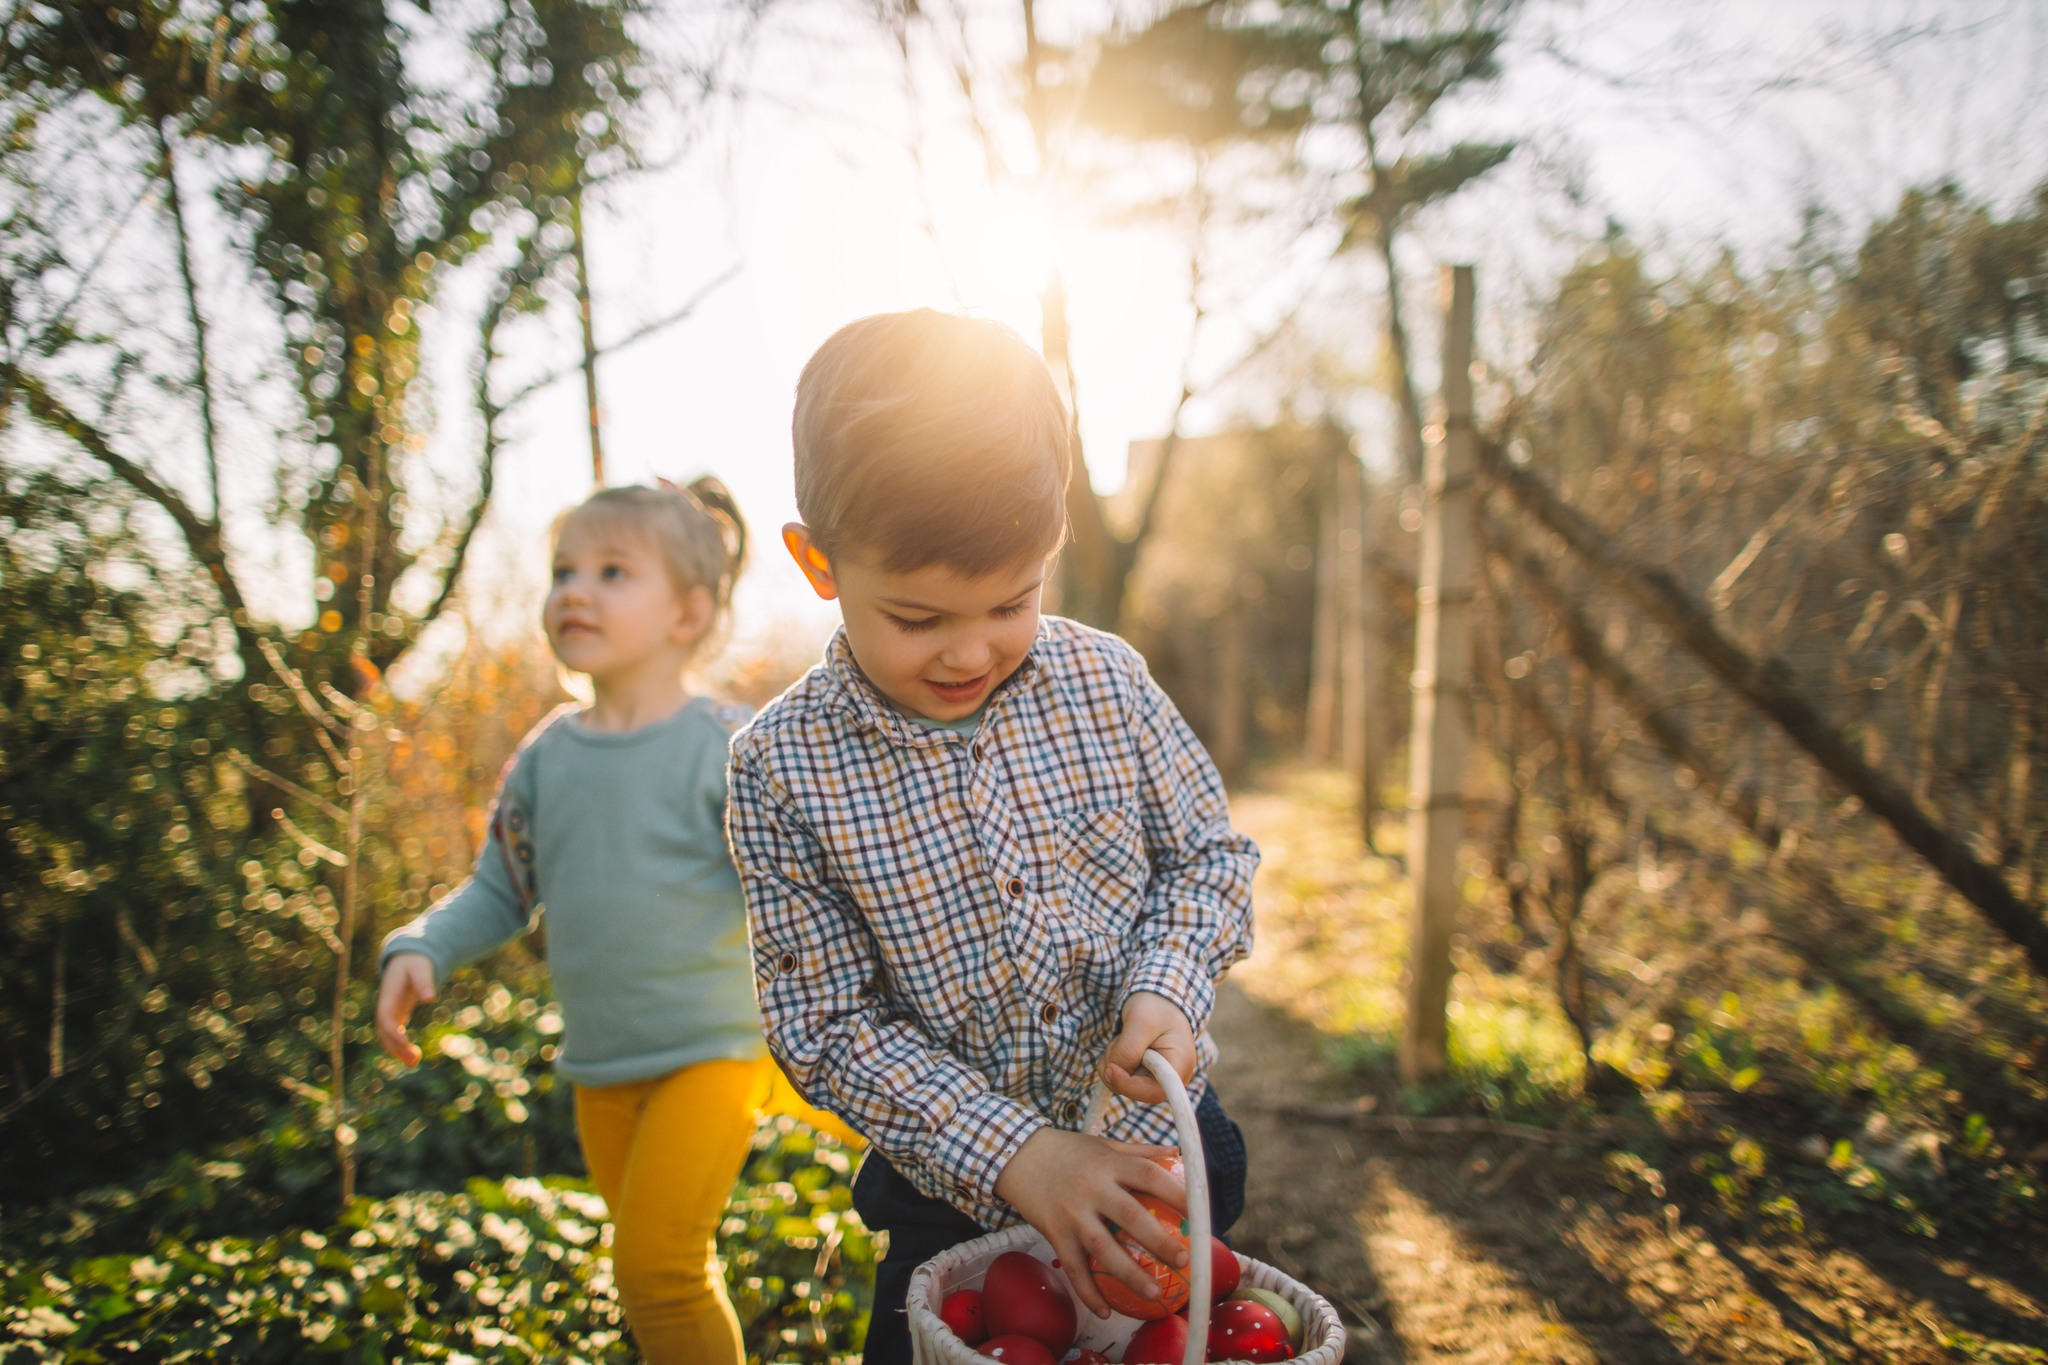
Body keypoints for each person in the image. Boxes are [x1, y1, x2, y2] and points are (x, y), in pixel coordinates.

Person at [725, 310, 1258, 1365]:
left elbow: (1209, 858)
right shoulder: (781, 769)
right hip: (951, 1202)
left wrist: (1168, 987)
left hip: (1162, 1162)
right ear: (817, 562)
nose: (969, 649)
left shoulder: (1105, 685)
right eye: (917, 618)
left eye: (1011, 601)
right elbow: (823, 1021)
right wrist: (1017, 1154)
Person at [373, 479, 859, 1365]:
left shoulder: (726, 742)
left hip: (714, 1049)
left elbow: (815, 878)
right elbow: (501, 888)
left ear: (687, 612)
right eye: (563, 571)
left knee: (657, 1269)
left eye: (611, 571)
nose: (575, 591)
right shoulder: (546, 758)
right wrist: (425, 945)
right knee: (652, 1280)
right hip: (602, 1068)